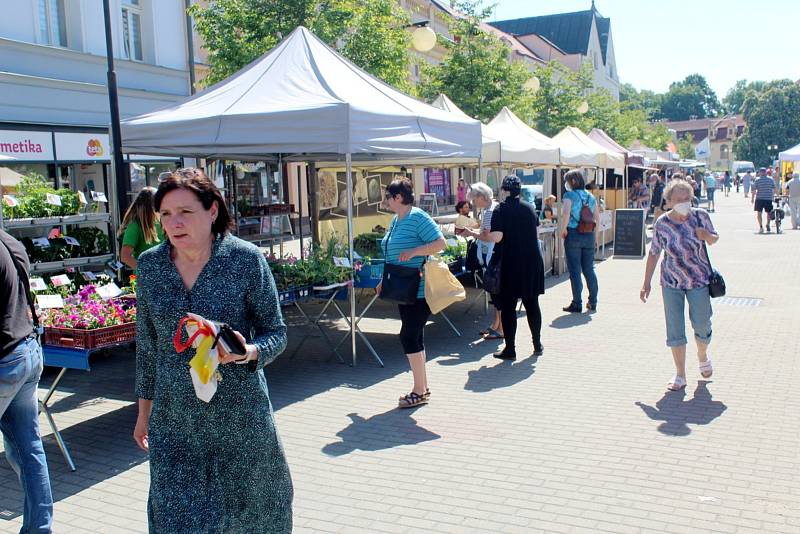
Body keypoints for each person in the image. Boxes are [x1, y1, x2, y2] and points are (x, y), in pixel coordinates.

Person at [133, 168, 293, 533]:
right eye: (166, 215)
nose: (174, 223)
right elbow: (148, 349)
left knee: (252, 513)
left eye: (185, 212)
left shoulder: (246, 259)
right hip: (176, 421)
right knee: (177, 516)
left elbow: (276, 333)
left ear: (212, 212)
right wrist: (144, 414)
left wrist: (247, 350)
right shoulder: (151, 266)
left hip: (240, 414)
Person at [640, 179, 718, 391]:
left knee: (702, 324)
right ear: (668, 201)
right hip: (671, 281)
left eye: (687, 198)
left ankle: (702, 355)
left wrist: (706, 236)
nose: (684, 202)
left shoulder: (700, 216)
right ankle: (680, 374)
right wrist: (646, 283)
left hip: (699, 279)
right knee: (675, 329)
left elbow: (714, 238)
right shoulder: (662, 223)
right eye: (678, 199)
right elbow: (654, 252)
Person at [0, 229, 54, 534]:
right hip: (27, 350)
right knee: (28, 449)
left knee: (28, 450)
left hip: (6, 359)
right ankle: (39, 529)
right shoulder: (9, 241)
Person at [378, 178, 445, 408]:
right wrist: (382, 280)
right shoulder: (396, 220)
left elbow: (440, 243)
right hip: (401, 288)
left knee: (408, 336)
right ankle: (422, 388)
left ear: (398, 198)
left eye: (388, 196)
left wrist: (415, 251)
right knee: (415, 336)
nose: (386, 200)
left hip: (418, 288)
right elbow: (389, 252)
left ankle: (418, 390)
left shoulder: (417, 217)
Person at [484, 176, 545, 360]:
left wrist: (486, 235)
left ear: (503, 190)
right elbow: (535, 232)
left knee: (509, 307)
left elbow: (497, 237)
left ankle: (510, 349)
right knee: (532, 304)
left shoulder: (500, 210)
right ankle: (537, 344)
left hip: (510, 263)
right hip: (532, 262)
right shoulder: (529, 208)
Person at [463, 182, 503, 341]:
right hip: (494, 254)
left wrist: (471, 233)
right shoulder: (493, 208)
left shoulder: (489, 212)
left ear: (481, 197)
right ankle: (496, 324)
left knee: (496, 293)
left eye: (474, 200)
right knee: (496, 293)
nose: (473, 204)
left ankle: (499, 326)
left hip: (491, 255)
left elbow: (487, 236)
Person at [559, 170, 600, 313]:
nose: (566, 184)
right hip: (589, 234)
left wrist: (563, 229)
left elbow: (565, 213)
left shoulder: (569, 195)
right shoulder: (591, 196)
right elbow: (596, 218)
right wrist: (595, 236)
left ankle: (577, 303)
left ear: (573, 181)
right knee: (589, 269)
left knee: (575, 270)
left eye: (567, 181)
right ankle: (593, 301)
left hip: (573, 234)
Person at [118, 186, 164, 270]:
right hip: (147, 281)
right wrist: (146, 272)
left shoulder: (161, 222)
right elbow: (125, 256)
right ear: (151, 205)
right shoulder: (134, 226)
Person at [752, 167, 776, 233]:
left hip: (759, 199)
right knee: (769, 212)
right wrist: (774, 195)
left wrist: (752, 198)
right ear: (766, 172)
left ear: (760, 173)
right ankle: (768, 224)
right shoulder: (770, 179)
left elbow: (754, 190)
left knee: (759, 213)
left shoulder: (757, 180)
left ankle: (761, 227)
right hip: (768, 198)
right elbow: (774, 188)